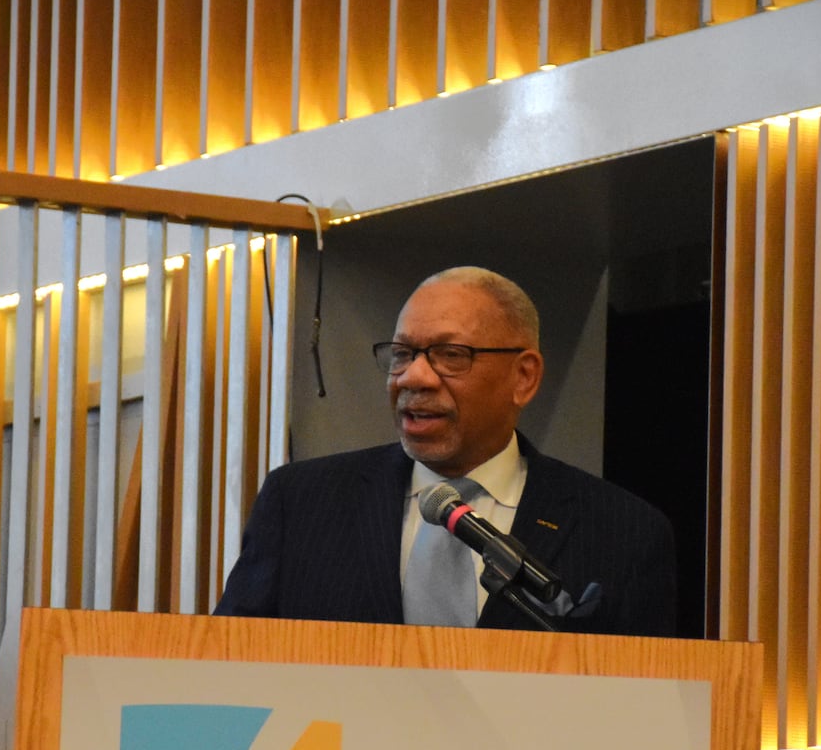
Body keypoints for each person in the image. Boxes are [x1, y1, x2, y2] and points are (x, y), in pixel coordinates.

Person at [213, 266, 678, 636]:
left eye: (450, 355)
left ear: (524, 378)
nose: (414, 378)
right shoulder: (301, 504)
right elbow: (229, 667)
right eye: (402, 354)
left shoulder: (623, 533)